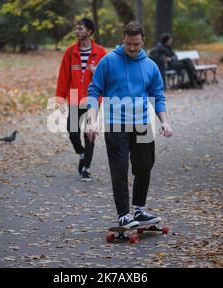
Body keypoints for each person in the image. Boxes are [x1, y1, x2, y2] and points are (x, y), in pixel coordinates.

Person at [86, 21, 173, 228]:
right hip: (116, 124)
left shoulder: (150, 66)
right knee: (120, 167)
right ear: (122, 40)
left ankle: (139, 210)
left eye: (136, 44)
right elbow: (94, 91)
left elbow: (158, 96)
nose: (132, 48)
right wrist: (91, 121)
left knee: (144, 166)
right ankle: (124, 214)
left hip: (142, 123)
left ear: (143, 41)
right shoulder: (108, 62)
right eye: (128, 44)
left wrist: (165, 121)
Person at [55, 18, 107, 182]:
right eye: (76, 29)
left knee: (89, 133)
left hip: (93, 97)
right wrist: (60, 97)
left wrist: (97, 71)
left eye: (80, 29)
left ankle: (86, 168)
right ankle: (82, 154)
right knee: (73, 132)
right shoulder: (70, 52)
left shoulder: (101, 53)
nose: (77, 31)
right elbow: (64, 75)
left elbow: (108, 76)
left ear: (89, 32)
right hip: (75, 97)